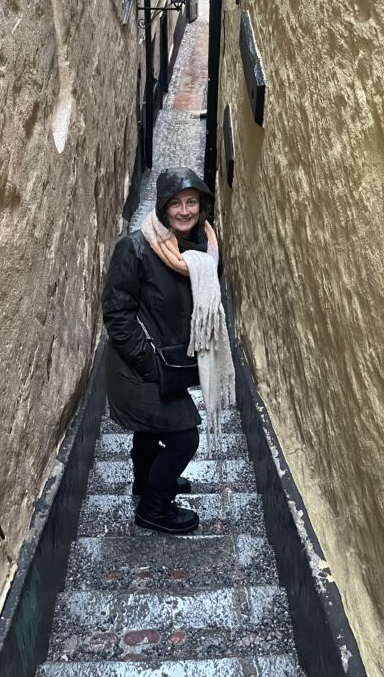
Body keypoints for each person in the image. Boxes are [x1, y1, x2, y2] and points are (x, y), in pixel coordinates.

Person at [102, 167, 229, 535]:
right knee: (184, 436)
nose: (184, 211)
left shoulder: (206, 247)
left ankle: (146, 481)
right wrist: (150, 365)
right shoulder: (135, 248)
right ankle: (153, 509)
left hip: (167, 364)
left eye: (191, 202)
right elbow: (116, 314)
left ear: (202, 205)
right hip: (135, 368)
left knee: (150, 429)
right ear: (161, 207)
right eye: (175, 204)